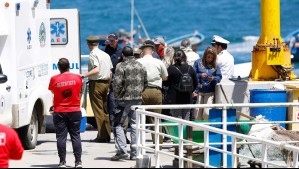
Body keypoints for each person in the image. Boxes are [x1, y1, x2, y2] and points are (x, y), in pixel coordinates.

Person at [111, 46, 147, 161]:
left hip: (123, 99)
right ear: (133, 54)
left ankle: (122, 150)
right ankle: (135, 153)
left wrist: (116, 96)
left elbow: (116, 84)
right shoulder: (141, 66)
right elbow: (146, 82)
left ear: (123, 55)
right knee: (135, 125)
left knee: (118, 124)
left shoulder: (121, 66)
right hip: (137, 99)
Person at [48, 58, 83, 168]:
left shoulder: (54, 79)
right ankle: (78, 162)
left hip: (60, 111)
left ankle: (62, 161)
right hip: (75, 110)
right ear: (69, 66)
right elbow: (80, 90)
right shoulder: (77, 78)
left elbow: (53, 91)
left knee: (61, 137)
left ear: (58, 67)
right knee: (76, 136)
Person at [137, 40, 168, 145]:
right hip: (156, 91)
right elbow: (165, 77)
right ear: (152, 50)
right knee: (156, 119)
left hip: (143, 91)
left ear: (142, 51)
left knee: (141, 119)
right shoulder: (158, 62)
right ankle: (158, 144)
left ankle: (140, 144)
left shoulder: (138, 62)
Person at [83, 36, 113, 143]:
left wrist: (84, 75)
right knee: (105, 111)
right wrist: (108, 86)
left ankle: (101, 136)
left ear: (88, 44)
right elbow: (110, 73)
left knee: (98, 110)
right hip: (105, 83)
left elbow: (96, 69)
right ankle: (107, 134)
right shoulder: (105, 55)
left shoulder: (93, 54)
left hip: (96, 84)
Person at [166, 50, 198, 120]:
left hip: (175, 99)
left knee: (177, 120)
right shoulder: (190, 68)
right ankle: (185, 131)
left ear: (174, 58)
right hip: (187, 98)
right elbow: (196, 83)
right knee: (186, 120)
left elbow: (166, 83)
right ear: (185, 57)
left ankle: (179, 131)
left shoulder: (171, 69)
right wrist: (189, 91)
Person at [193, 47, 222, 120]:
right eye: (208, 57)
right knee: (197, 114)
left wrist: (213, 78)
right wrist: (200, 75)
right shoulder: (197, 63)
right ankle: (198, 130)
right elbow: (193, 75)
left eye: (211, 58)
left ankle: (206, 129)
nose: (209, 59)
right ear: (205, 55)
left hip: (209, 92)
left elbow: (219, 77)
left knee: (207, 113)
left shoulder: (215, 66)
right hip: (199, 91)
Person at [104, 32, 123, 128]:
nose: (111, 42)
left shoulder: (121, 51)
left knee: (119, 104)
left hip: (119, 81)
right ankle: (112, 127)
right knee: (111, 104)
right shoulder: (105, 50)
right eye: (109, 40)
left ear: (117, 40)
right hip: (110, 81)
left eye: (113, 40)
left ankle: (119, 125)